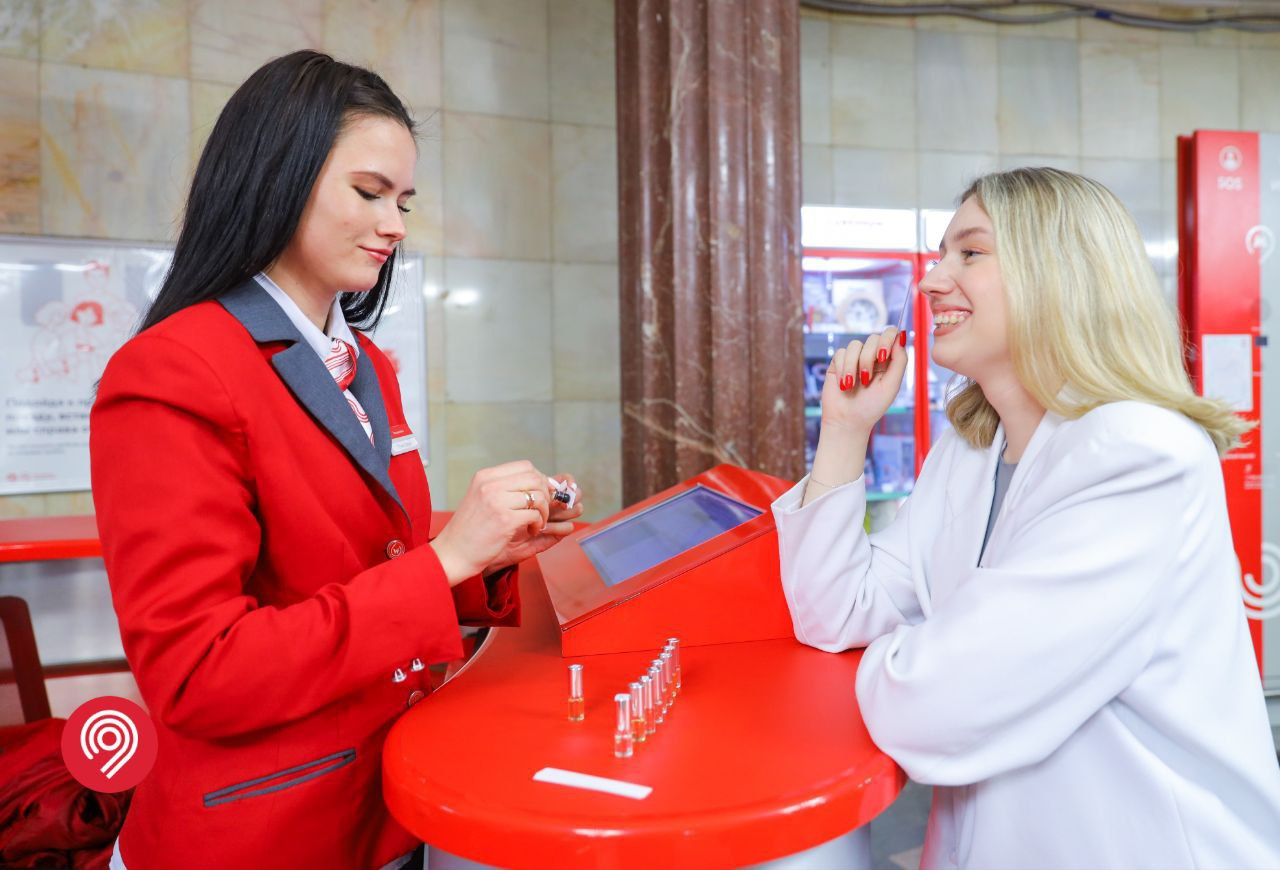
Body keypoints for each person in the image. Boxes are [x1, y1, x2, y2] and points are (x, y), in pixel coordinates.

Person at [90, 50, 581, 868]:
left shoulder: (367, 363)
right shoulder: (172, 371)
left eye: (404, 202)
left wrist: (488, 557)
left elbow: (366, 565)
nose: (396, 226)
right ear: (275, 180)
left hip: (389, 798)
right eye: (368, 192)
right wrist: (444, 561)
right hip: (266, 830)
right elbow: (197, 674)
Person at [772, 168, 1280, 868]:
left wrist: (919, 655)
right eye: (941, 255)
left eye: (970, 253)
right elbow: (836, 613)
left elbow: (939, 705)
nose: (931, 281)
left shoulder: (1139, 454)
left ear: (1058, 273)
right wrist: (843, 430)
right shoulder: (970, 450)